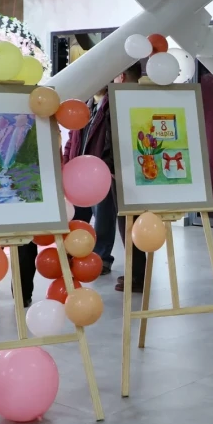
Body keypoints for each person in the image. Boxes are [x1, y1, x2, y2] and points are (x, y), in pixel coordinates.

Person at [63, 64, 147, 292]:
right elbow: (72, 138)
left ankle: (106, 261)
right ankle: (74, 258)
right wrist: (66, 162)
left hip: (104, 175)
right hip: (79, 175)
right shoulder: (85, 104)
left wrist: (108, 167)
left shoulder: (114, 103)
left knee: (108, 221)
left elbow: (117, 139)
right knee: (76, 220)